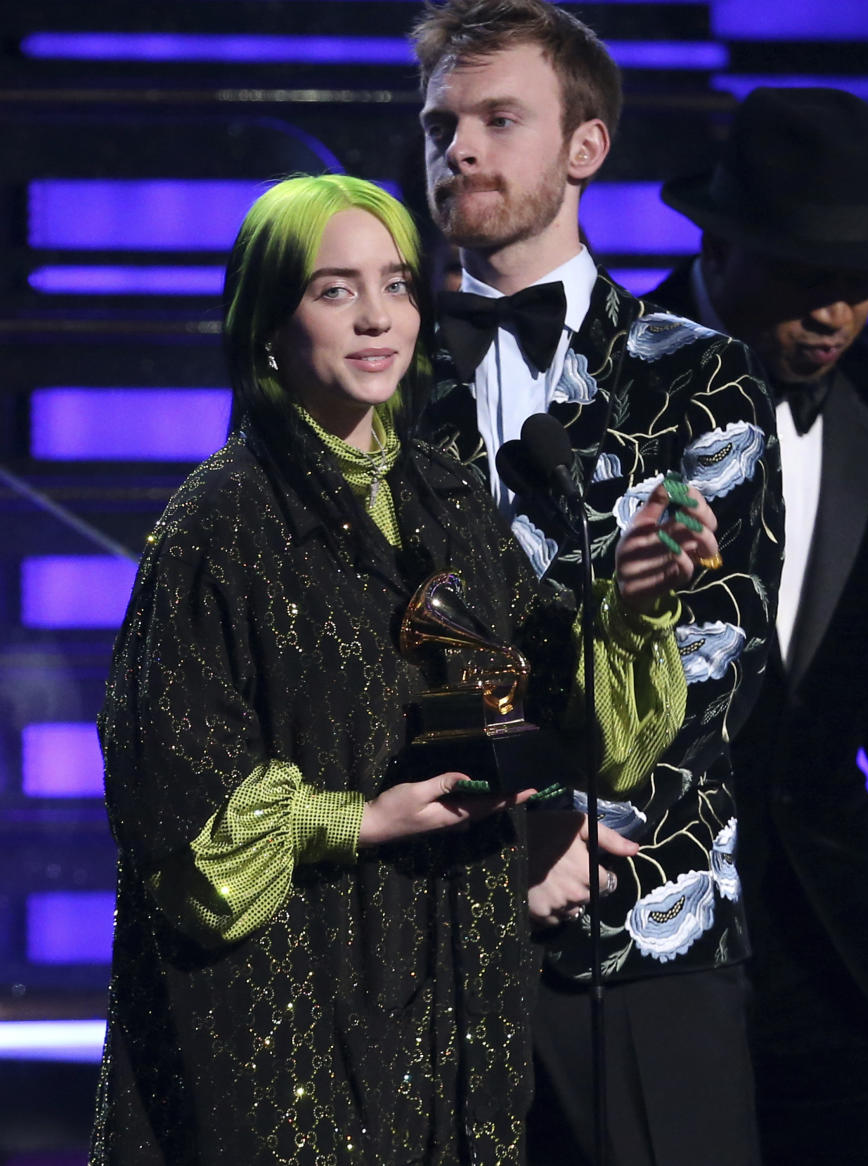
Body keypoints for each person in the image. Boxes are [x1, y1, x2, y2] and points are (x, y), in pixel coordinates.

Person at [89, 173, 700, 1165]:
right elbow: (175, 819)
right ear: (266, 322)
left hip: (454, 991)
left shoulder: (447, 496)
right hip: (283, 1013)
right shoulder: (219, 526)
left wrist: (631, 601)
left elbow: (563, 721)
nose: (377, 317)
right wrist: (360, 819)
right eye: (335, 290)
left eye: (397, 284)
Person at [411, 0, 783, 1166]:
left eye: (497, 119)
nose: (459, 147)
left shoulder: (698, 375)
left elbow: (719, 651)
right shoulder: (373, 375)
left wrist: (571, 823)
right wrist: (509, 817)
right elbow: (362, 634)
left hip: (649, 931)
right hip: (427, 931)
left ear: (586, 147)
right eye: (438, 126)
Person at [654, 85, 868, 1164]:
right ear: (724, 246)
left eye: (860, 283)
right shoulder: (585, 393)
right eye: (808, 276)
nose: (837, 312)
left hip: (830, 949)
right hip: (633, 945)